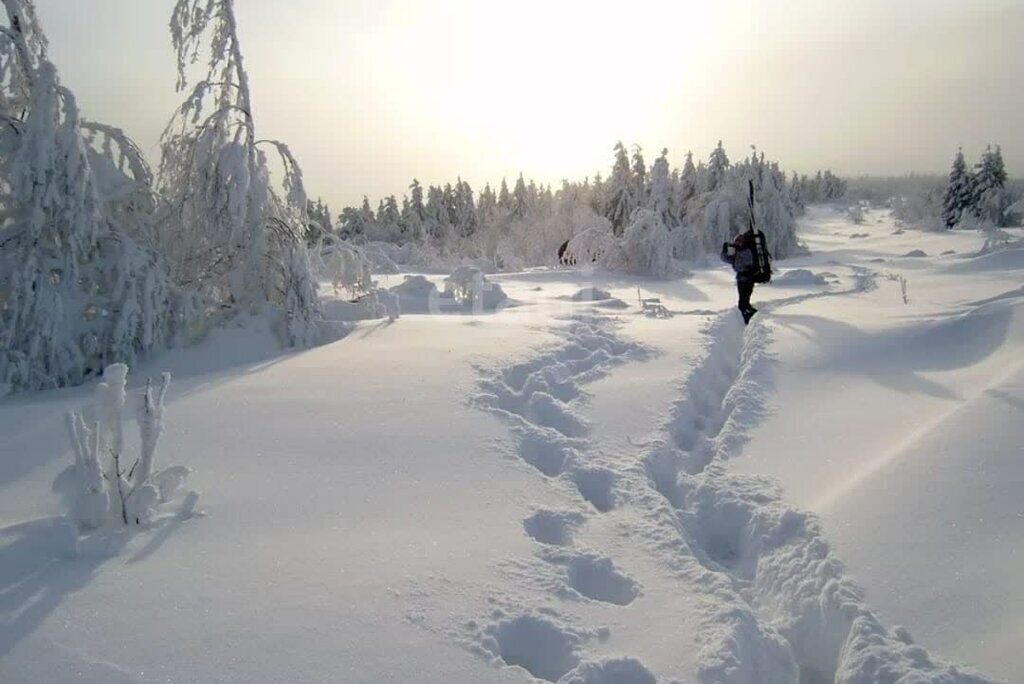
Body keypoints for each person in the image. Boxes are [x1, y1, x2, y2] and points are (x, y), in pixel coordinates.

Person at [724, 229, 770, 324]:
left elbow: (739, 264)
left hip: (746, 279)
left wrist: (732, 257)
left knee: (743, 303)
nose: (737, 244)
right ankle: (750, 319)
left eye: (738, 242)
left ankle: (751, 320)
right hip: (744, 279)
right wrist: (724, 252)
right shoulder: (741, 251)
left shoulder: (746, 251)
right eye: (736, 242)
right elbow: (727, 259)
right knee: (744, 302)